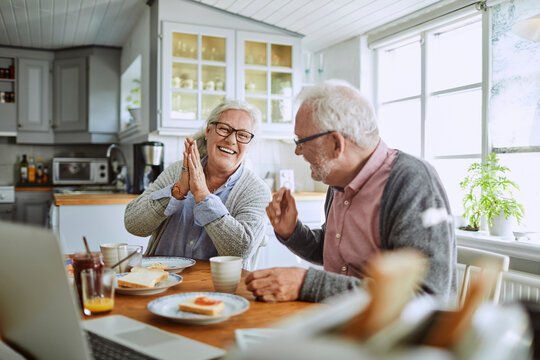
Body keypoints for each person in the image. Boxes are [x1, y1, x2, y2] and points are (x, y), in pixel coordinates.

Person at [245, 79, 457, 302]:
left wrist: (307, 284)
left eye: (301, 141)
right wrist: (292, 232)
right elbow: (335, 254)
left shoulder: (412, 182)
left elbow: (426, 297)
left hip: (391, 335)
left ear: (336, 144)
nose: (298, 152)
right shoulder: (339, 182)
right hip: (340, 324)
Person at [125, 100, 271, 269]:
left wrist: (203, 195)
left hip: (215, 291)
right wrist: (177, 191)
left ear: (249, 144)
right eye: (224, 129)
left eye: (243, 135)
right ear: (209, 130)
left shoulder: (256, 191)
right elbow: (133, 224)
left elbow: (240, 251)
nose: (231, 140)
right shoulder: (177, 171)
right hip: (159, 280)